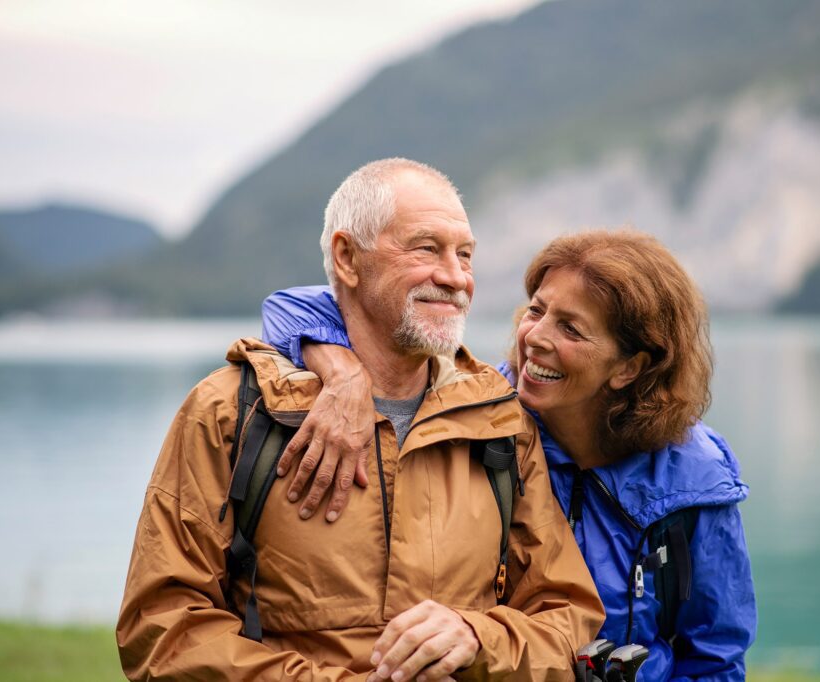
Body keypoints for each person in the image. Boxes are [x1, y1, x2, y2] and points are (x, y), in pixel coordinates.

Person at [117, 158, 604, 680]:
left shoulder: (500, 418)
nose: (456, 277)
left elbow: (567, 617)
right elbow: (163, 631)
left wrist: (477, 637)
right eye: (426, 248)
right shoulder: (229, 412)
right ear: (347, 258)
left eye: (465, 255)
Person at [261, 230, 757, 680]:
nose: (535, 337)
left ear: (630, 367)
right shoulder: (483, 414)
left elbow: (715, 656)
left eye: (571, 329)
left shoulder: (694, 480)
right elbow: (288, 307)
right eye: (536, 310)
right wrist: (342, 371)